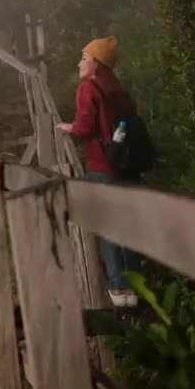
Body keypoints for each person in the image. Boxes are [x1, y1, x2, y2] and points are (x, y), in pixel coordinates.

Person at [54, 36, 142, 307]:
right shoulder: (117, 89)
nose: (80, 62)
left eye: (85, 57)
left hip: (101, 166)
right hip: (123, 166)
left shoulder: (88, 89)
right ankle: (133, 289)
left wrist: (68, 127)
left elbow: (84, 128)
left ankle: (117, 288)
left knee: (107, 228)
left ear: (97, 63)